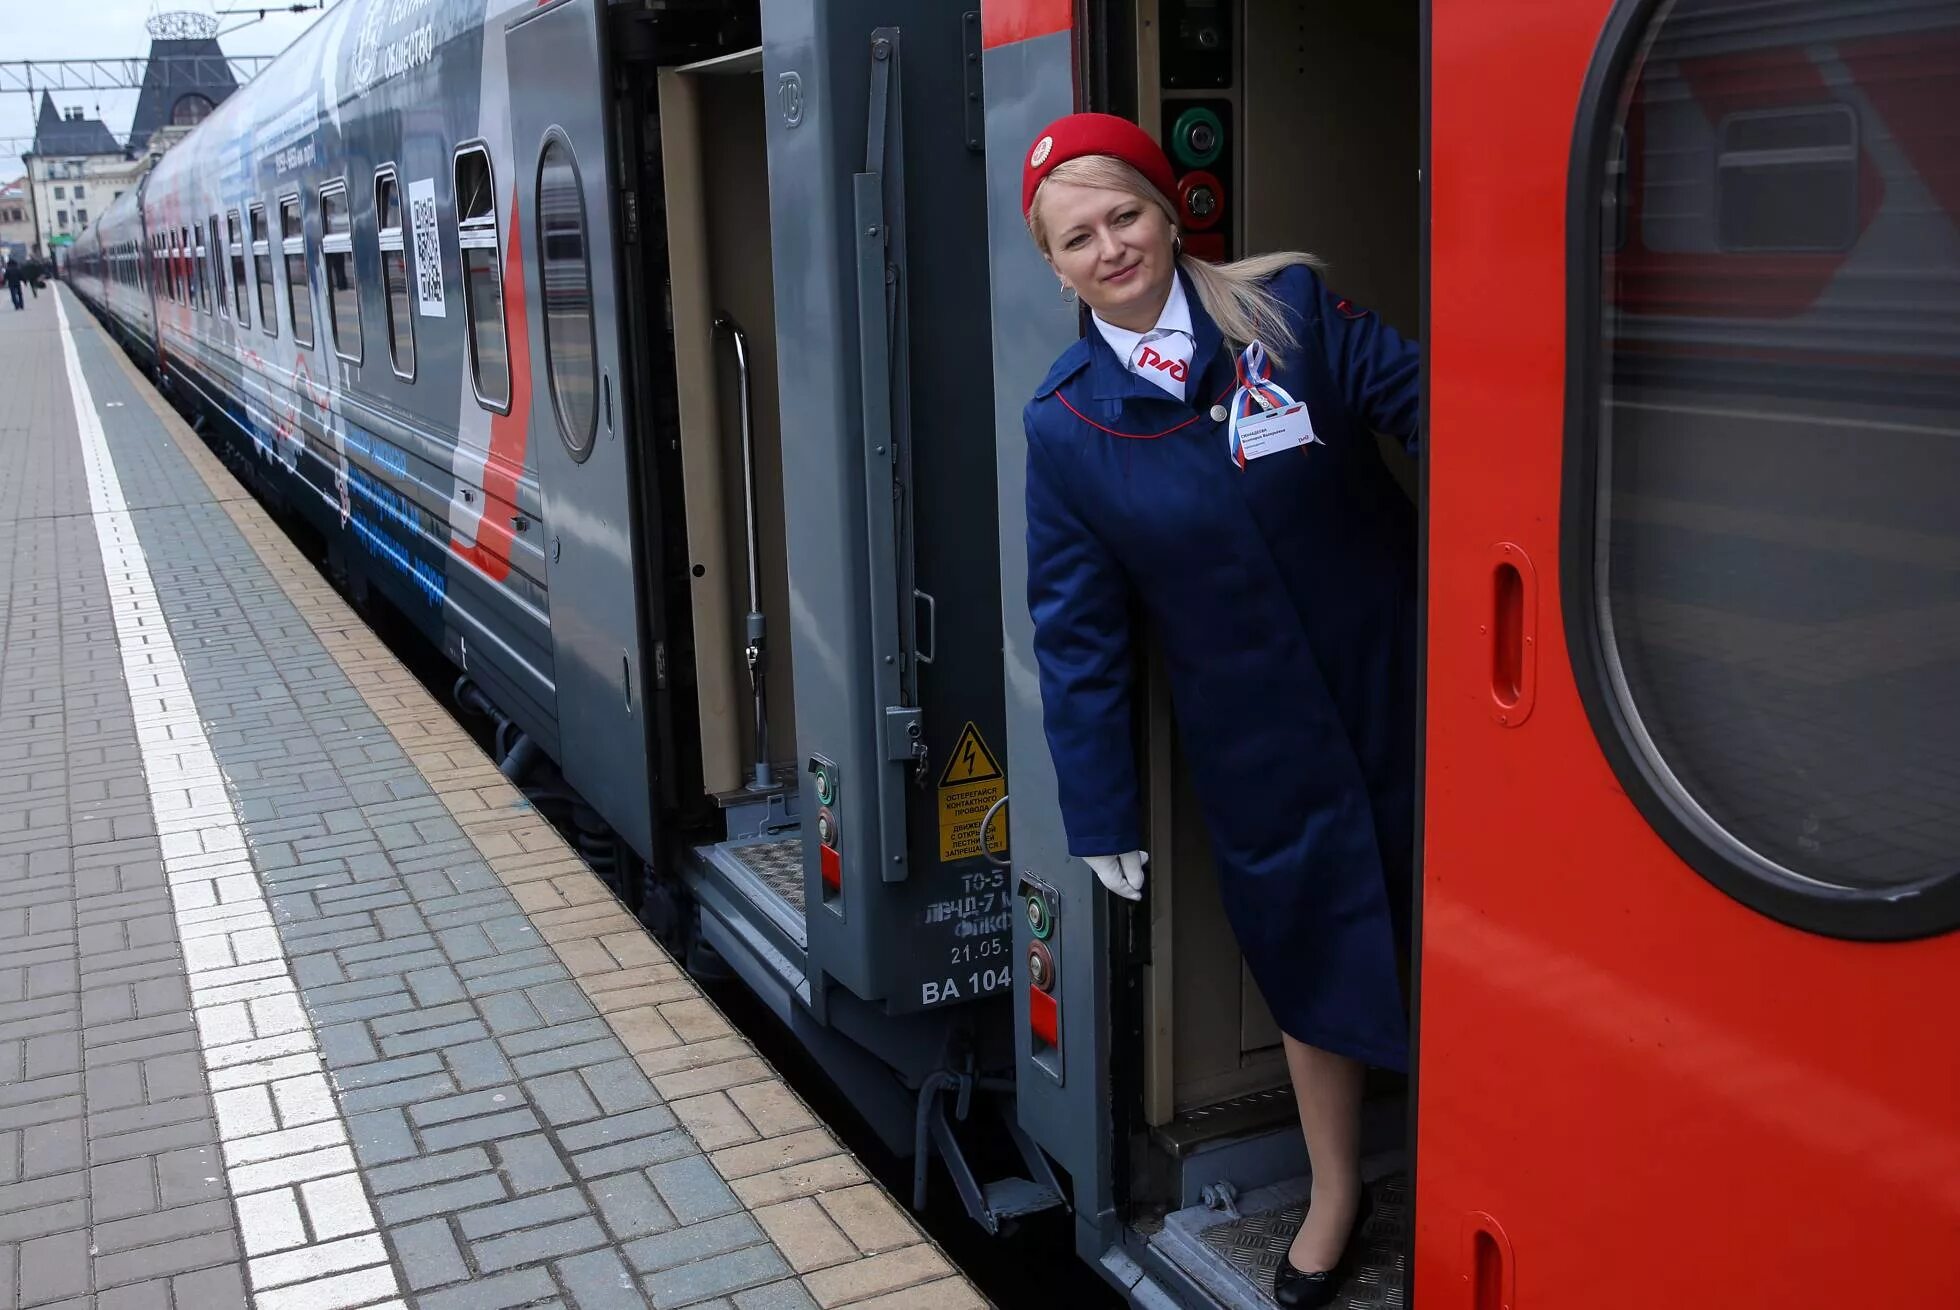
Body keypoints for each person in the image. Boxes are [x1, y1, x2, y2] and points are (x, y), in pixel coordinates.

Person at [1018, 114, 1419, 1307]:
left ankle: (1479, 1157)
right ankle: (1337, 1189)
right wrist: (1097, 814)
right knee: (1308, 958)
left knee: (1452, 934)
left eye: (1124, 214)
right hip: (1256, 746)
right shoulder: (1066, 422)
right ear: (1054, 264)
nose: (1111, 247)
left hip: (1404, 691)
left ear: (1167, 209)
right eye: (1077, 235)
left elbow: (1438, 406)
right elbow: (1077, 634)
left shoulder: (1287, 315)